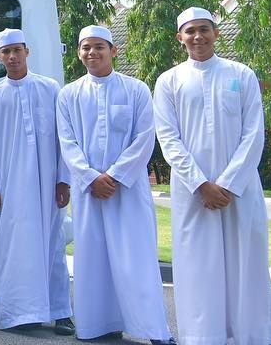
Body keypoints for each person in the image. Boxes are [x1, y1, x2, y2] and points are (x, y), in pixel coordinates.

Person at [154, 6, 271, 345]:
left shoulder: (241, 74)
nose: (198, 36)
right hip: (192, 193)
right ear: (180, 38)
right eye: (190, 31)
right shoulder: (169, 81)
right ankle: (202, 337)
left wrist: (228, 184)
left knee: (245, 264)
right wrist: (201, 185)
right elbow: (168, 139)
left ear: (216, 33)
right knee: (198, 266)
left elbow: (254, 134)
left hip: (240, 191)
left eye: (204, 29)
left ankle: (252, 336)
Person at [56, 24, 172, 344]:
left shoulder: (136, 90)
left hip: (128, 190)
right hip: (89, 191)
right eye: (86, 47)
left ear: (113, 50)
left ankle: (154, 330)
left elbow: (144, 138)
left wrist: (115, 176)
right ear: (79, 52)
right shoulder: (69, 95)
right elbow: (67, 142)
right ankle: (97, 325)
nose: (92, 53)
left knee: (137, 258)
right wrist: (91, 177)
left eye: (99, 47)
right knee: (93, 259)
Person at [0, 27, 74, 334]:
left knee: (52, 245)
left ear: (27, 52)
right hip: (10, 186)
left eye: (17, 50)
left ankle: (60, 312)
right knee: (13, 248)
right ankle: (19, 313)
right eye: (6, 52)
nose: (12, 56)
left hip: (47, 185)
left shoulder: (50, 88)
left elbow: (63, 139)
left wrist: (64, 180)